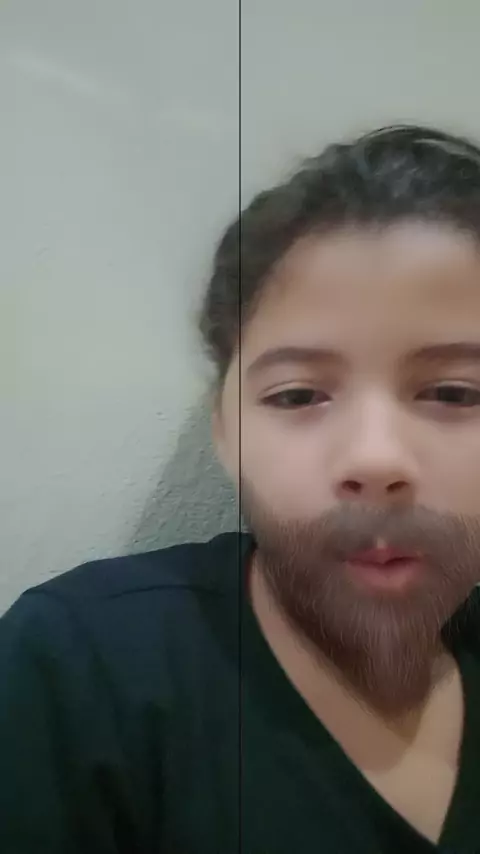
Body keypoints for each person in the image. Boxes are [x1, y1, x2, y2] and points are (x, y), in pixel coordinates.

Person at [3, 124, 480, 854]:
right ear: (225, 434)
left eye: (453, 391)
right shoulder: (78, 670)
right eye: (298, 395)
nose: (376, 458)